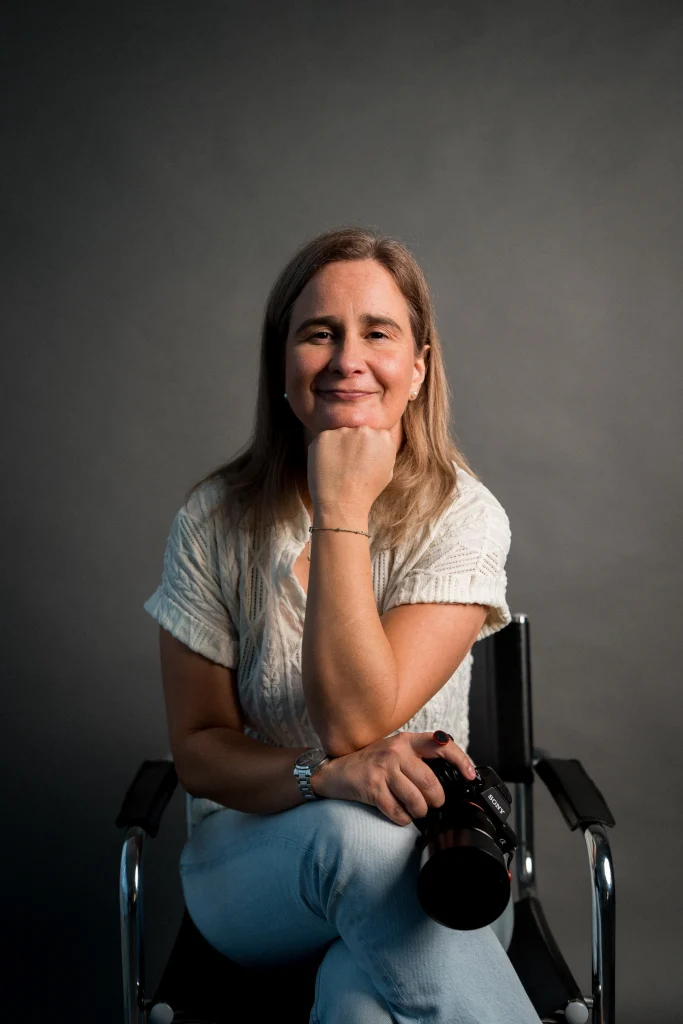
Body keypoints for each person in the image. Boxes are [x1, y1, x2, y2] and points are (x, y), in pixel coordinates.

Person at [143, 226, 543, 1024]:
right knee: (354, 840)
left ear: (419, 367)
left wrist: (343, 507)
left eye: (377, 333)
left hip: (439, 868)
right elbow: (206, 752)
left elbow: (356, 717)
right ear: (282, 364)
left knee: (359, 1007)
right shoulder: (213, 523)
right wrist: (322, 778)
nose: (346, 359)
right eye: (319, 333)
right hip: (256, 867)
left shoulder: (461, 516)